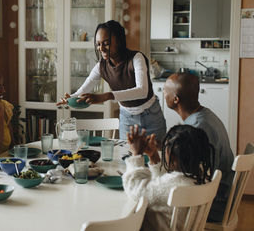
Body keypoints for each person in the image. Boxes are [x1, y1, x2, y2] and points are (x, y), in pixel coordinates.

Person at [57, 20, 166, 141]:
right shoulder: (101, 66)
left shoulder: (136, 58)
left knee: (155, 158)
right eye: (98, 44)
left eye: (106, 43)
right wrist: (70, 98)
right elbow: (84, 89)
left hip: (151, 116)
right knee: (128, 157)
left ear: (119, 41)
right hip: (127, 118)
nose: (101, 48)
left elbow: (142, 91)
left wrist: (107, 96)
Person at [163, 72, 234, 222]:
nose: (163, 93)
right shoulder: (203, 115)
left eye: (165, 90)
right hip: (220, 193)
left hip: (213, 202)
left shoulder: (197, 129)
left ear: (176, 99)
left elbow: (190, 179)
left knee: (150, 204)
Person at [123, 124, 215, 231]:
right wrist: (153, 157)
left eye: (165, 148)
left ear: (172, 156)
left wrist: (136, 155)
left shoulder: (170, 188)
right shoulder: (203, 178)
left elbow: (135, 190)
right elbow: (162, 185)